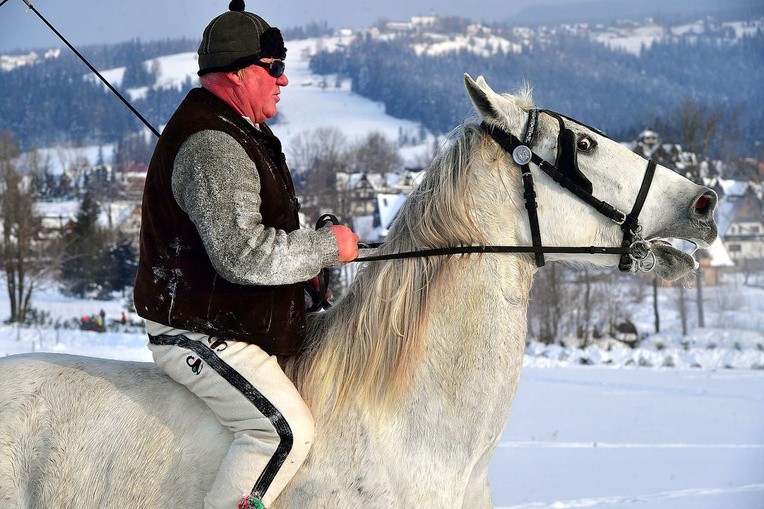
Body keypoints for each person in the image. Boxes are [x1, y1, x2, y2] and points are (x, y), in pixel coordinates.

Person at [132, 1, 359, 508]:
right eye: (274, 68)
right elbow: (243, 255)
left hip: (233, 321)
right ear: (237, 75)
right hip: (197, 331)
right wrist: (324, 249)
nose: (284, 80)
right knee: (284, 433)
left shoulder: (242, 130)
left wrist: (304, 276)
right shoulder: (213, 143)